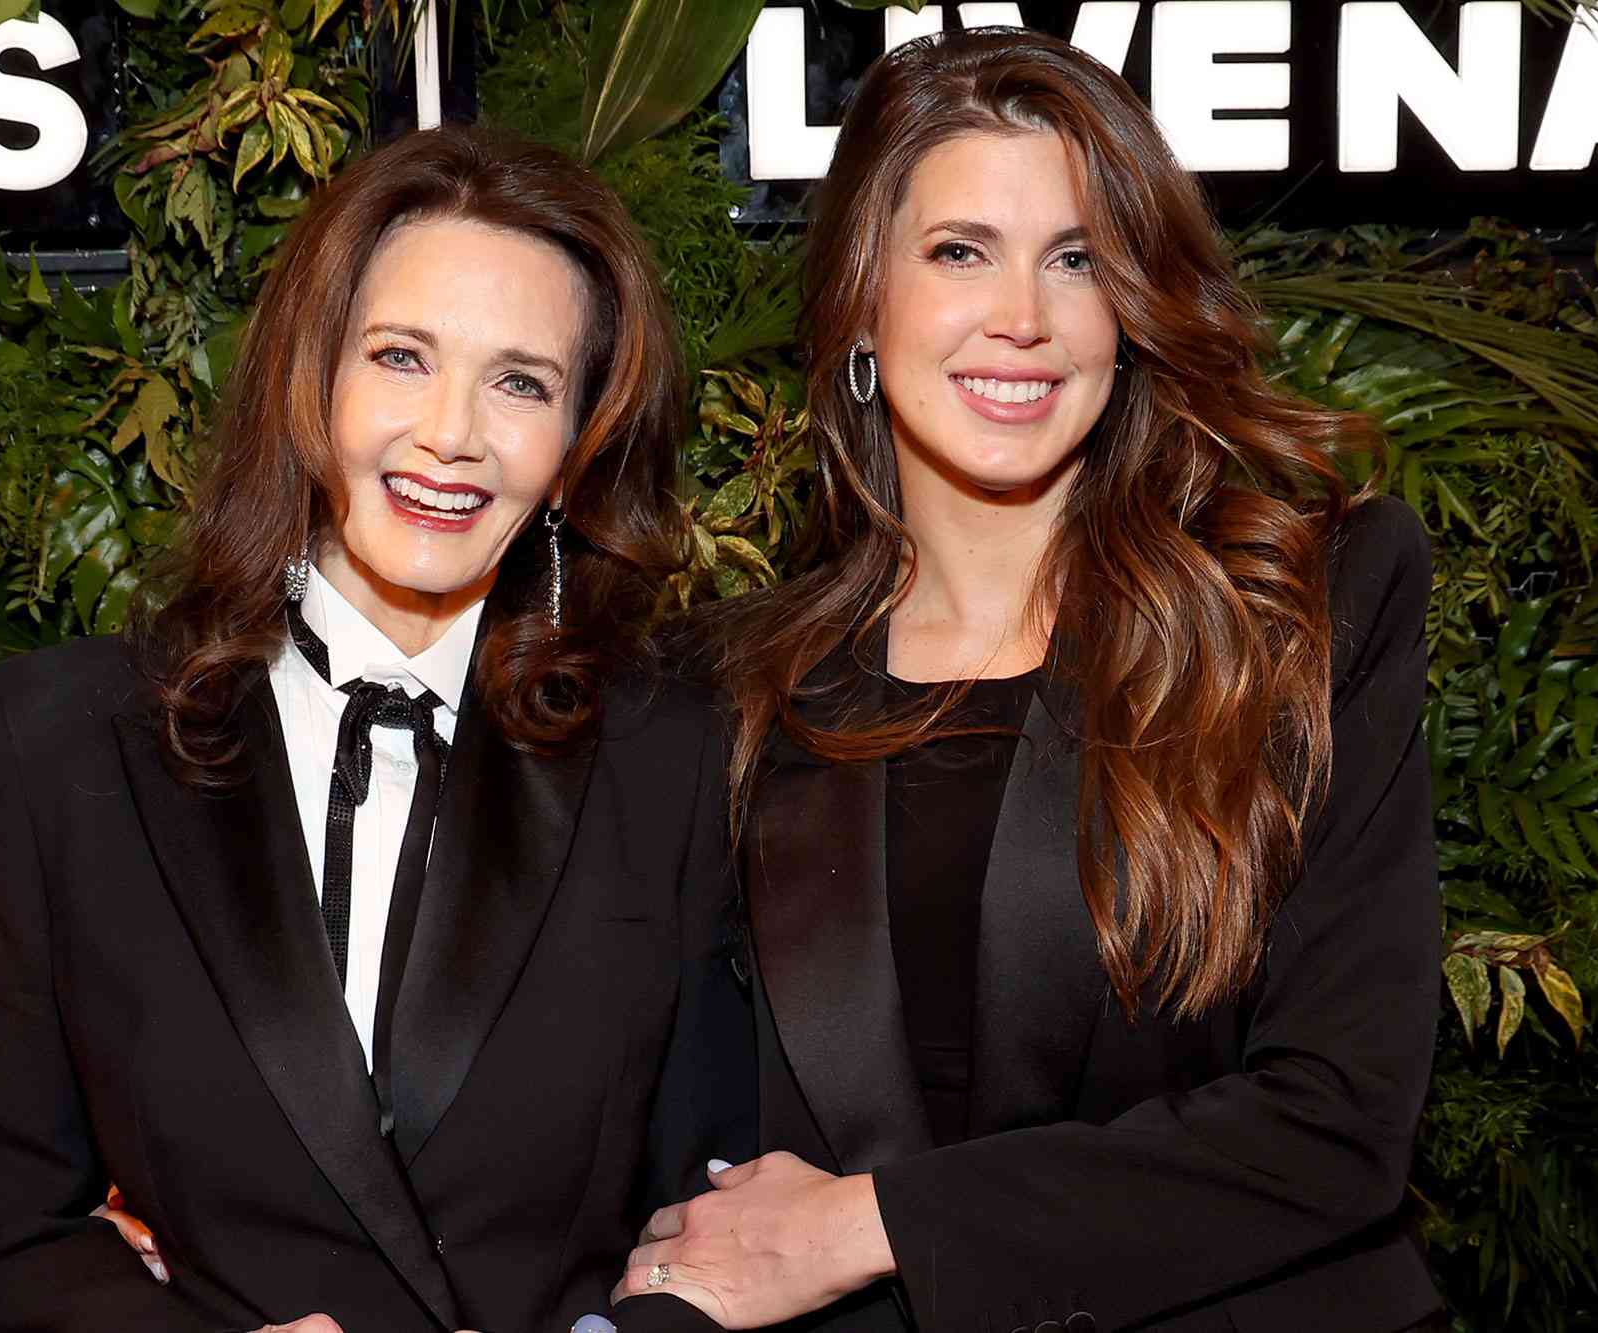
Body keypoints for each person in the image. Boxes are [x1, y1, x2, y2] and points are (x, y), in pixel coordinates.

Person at [610, 28, 1442, 1333]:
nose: (1025, 317)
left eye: (1076, 260)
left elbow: (1335, 1123)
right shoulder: (722, 694)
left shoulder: (1303, 611)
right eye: (959, 253)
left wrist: (868, 1223)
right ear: (861, 308)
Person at [0, 125, 751, 1333]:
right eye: (400, 357)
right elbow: (3, 1236)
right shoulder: (63, 744)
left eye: (519, 381)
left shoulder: (670, 759)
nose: (451, 434)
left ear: (576, 447)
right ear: (310, 378)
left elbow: (719, 1226)